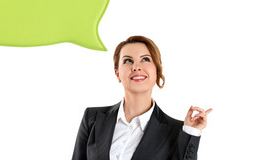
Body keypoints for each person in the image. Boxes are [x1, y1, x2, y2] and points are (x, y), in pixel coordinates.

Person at [72, 36, 212, 160]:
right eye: (127, 61)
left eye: (145, 59)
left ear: (158, 70)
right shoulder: (93, 118)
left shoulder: (176, 131)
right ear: (117, 73)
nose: (136, 67)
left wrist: (191, 133)